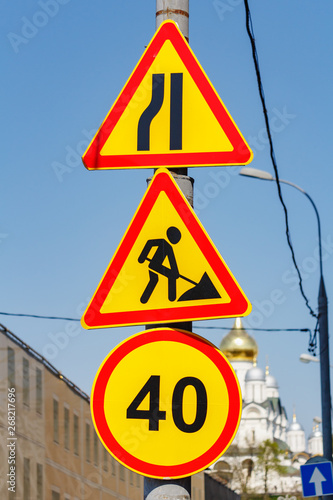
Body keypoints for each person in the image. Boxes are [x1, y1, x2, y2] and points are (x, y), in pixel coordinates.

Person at [138, 226, 181, 303]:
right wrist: (142, 257)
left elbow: (172, 262)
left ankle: (143, 300)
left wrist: (176, 272)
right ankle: (172, 298)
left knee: (154, 280)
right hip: (155, 265)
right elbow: (149, 243)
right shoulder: (164, 243)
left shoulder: (168, 247)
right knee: (160, 278)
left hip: (155, 266)